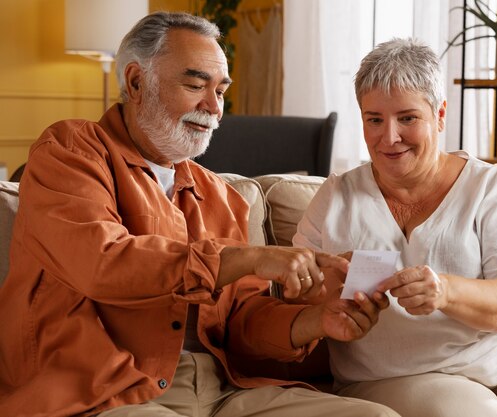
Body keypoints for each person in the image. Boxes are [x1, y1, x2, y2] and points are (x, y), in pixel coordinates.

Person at [0, 12, 400, 417]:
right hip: (105, 392)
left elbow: (242, 325)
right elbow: (102, 262)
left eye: (221, 91)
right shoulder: (69, 151)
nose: (214, 108)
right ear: (137, 82)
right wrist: (248, 258)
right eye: (195, 85)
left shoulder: (219, 195)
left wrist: (318, 320)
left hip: (221, 390)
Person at [293, 37, 497, 417]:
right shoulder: (336, 198)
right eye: (374, 119)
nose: (389, 137)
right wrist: (330, 294)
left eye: (407, 118)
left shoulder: (490, 186)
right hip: (402, 374)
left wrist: (444, 291)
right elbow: (293, 299)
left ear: (440, 114)